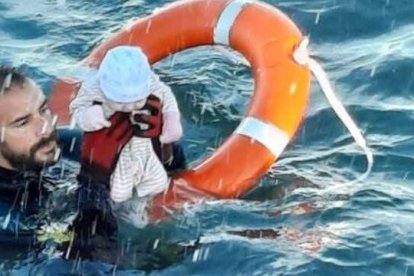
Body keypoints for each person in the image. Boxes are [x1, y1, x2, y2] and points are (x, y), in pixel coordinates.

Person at [69, 46, 184, 227]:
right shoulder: (93, 90)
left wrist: (171, 124)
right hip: (102, 171)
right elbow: (78, 107)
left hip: (149, 153)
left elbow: (169, 104)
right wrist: (89, 116)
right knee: (92, 206)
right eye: (121, 102)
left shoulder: (155, 89)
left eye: (136, 101)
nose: (130, 107)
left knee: (173, 158)